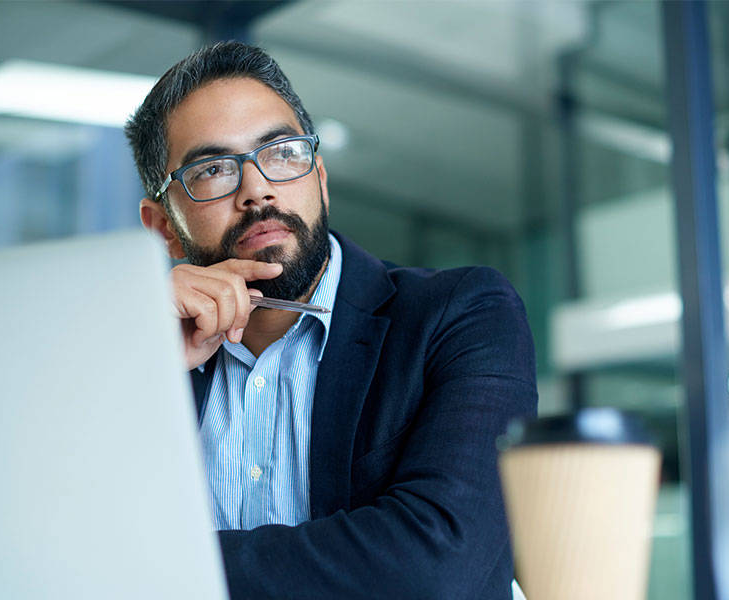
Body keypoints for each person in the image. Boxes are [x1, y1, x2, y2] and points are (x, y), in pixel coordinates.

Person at [125, 41, 537, 599]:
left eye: (282, 152)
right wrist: (143, 369)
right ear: (162, 227)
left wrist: (153, 571)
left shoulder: (461, 315)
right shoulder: (139, 361)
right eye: (214, 168)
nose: (257, 189)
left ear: (319, 177)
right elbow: (51, 552)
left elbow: (436, 568)